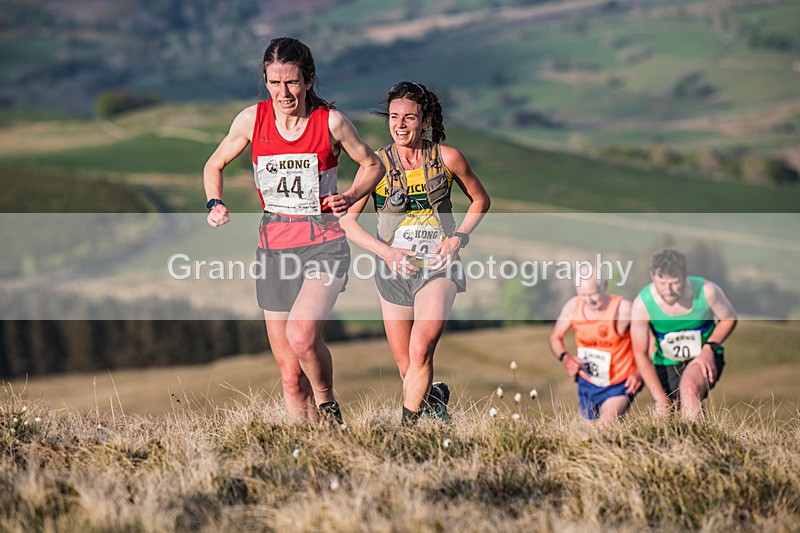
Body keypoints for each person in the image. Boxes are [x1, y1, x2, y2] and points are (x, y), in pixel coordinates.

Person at [203, 37, 384, 423]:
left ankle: (327, 402)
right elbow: (213, 165)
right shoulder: (251, 120)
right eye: (274, 82)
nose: (283, 92)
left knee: (302, 337)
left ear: (309, 80)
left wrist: (350, 195)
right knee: (288, 376)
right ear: (265, 81)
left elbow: (373, 166)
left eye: (292, 82)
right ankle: (309, 453)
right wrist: (214, 202)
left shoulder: (331, 122)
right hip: (274, 248)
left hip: (324, 244)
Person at [340, 81, 490, 426]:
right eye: (394, 117)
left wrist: (457, 240)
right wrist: (386, 253)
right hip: (393, 270)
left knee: (421, 349)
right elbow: (348, 222)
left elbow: (480, 200)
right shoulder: (375, 165)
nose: (400, 125)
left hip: (438, 267)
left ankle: (407, 433)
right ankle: (434, 399)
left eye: (409, 118)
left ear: (425, 121)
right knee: (407, 367)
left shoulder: (448, 158)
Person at [631, 247, 737, 421]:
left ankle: (696, 443)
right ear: (652, 276)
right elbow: (640, 355)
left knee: (690, 391)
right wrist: (660, 400)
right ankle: (691, 443)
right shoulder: (642, 304)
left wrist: (709, 349)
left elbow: (729, 319)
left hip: (704, 356)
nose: (668, 290)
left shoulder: (707, 291)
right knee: (666, 413)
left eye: (674, 282)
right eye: (662, 283)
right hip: (665, 363)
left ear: (684, 275)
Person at [549, 271, 642, 424]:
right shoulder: (574, 306)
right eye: (583, 296)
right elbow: (555, 336)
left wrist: (639, 373)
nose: (588, 301)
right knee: (587, 433)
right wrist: (566, 358)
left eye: (593, 294)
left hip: (620, 383)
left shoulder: (623, 309)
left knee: (605, 425)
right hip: (588, 382)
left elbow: (650, 341)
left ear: (604, 286)